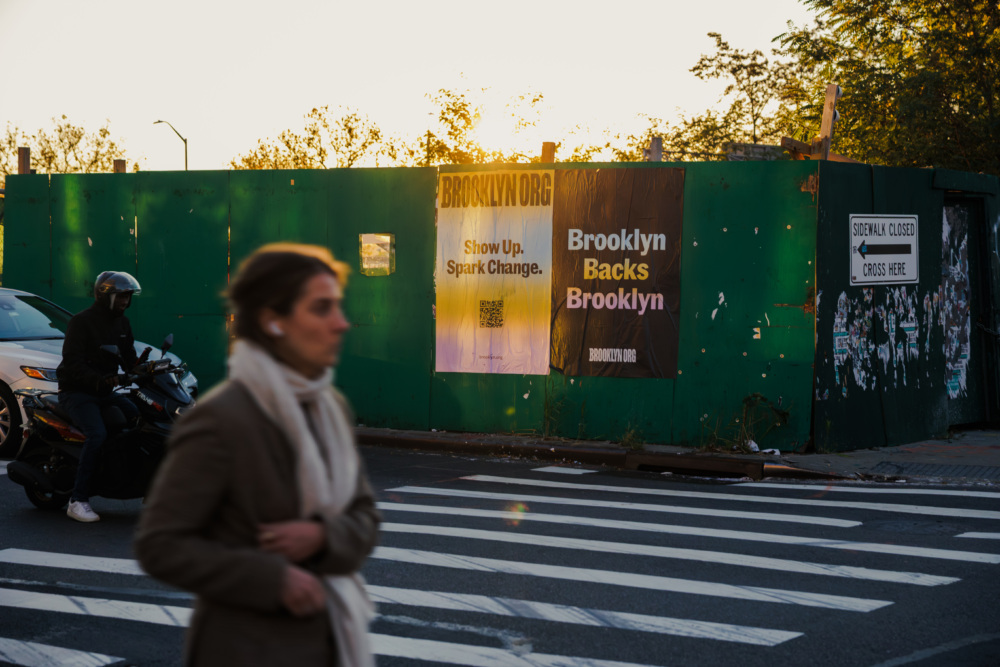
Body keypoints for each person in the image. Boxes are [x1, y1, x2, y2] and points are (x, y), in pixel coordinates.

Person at [135, 243, 380, 667]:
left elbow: (364, 516)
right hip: (245, 647)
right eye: (322, 309)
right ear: (272, 320)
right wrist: (272, 578)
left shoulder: (330, 408)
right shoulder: (220, 419)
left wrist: (323, 536)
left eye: (338, 308)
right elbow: (161, 544)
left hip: (330, 639)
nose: (341, 324)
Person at [57, 270, 143, 523]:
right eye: (121, 297)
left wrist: (144, 369)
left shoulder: (123, 323)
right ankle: (78, 500)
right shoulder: (81, 322)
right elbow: (72, 362)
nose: (126, 302)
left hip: (106, 392)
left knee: (138, 418)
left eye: (128, 297)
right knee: (97, 434)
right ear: (105, 296)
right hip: (77, 393)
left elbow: (128, 356)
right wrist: (98, 379)